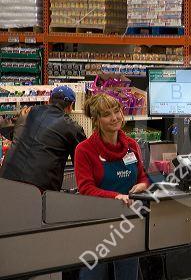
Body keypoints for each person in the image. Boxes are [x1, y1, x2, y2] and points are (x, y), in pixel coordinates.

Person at [74, 93, 150, 280]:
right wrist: (115, 197)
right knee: (93, 274)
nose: (115, 118)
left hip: (127, 221)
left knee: (128, 273)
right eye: (107, 114)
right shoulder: (84, 150)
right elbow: (86, 188)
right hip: (96, 222)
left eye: (117, 111)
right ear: (96, 120)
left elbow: (142, 176)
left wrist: (142, 185)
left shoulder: (131, 145)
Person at [0, 85, 86, 192]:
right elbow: (83, 162)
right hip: (38, 189)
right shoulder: (72, 127)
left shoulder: (28, 112)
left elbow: (6, 128)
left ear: (49, 100)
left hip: (6, 179)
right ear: (71, 106)